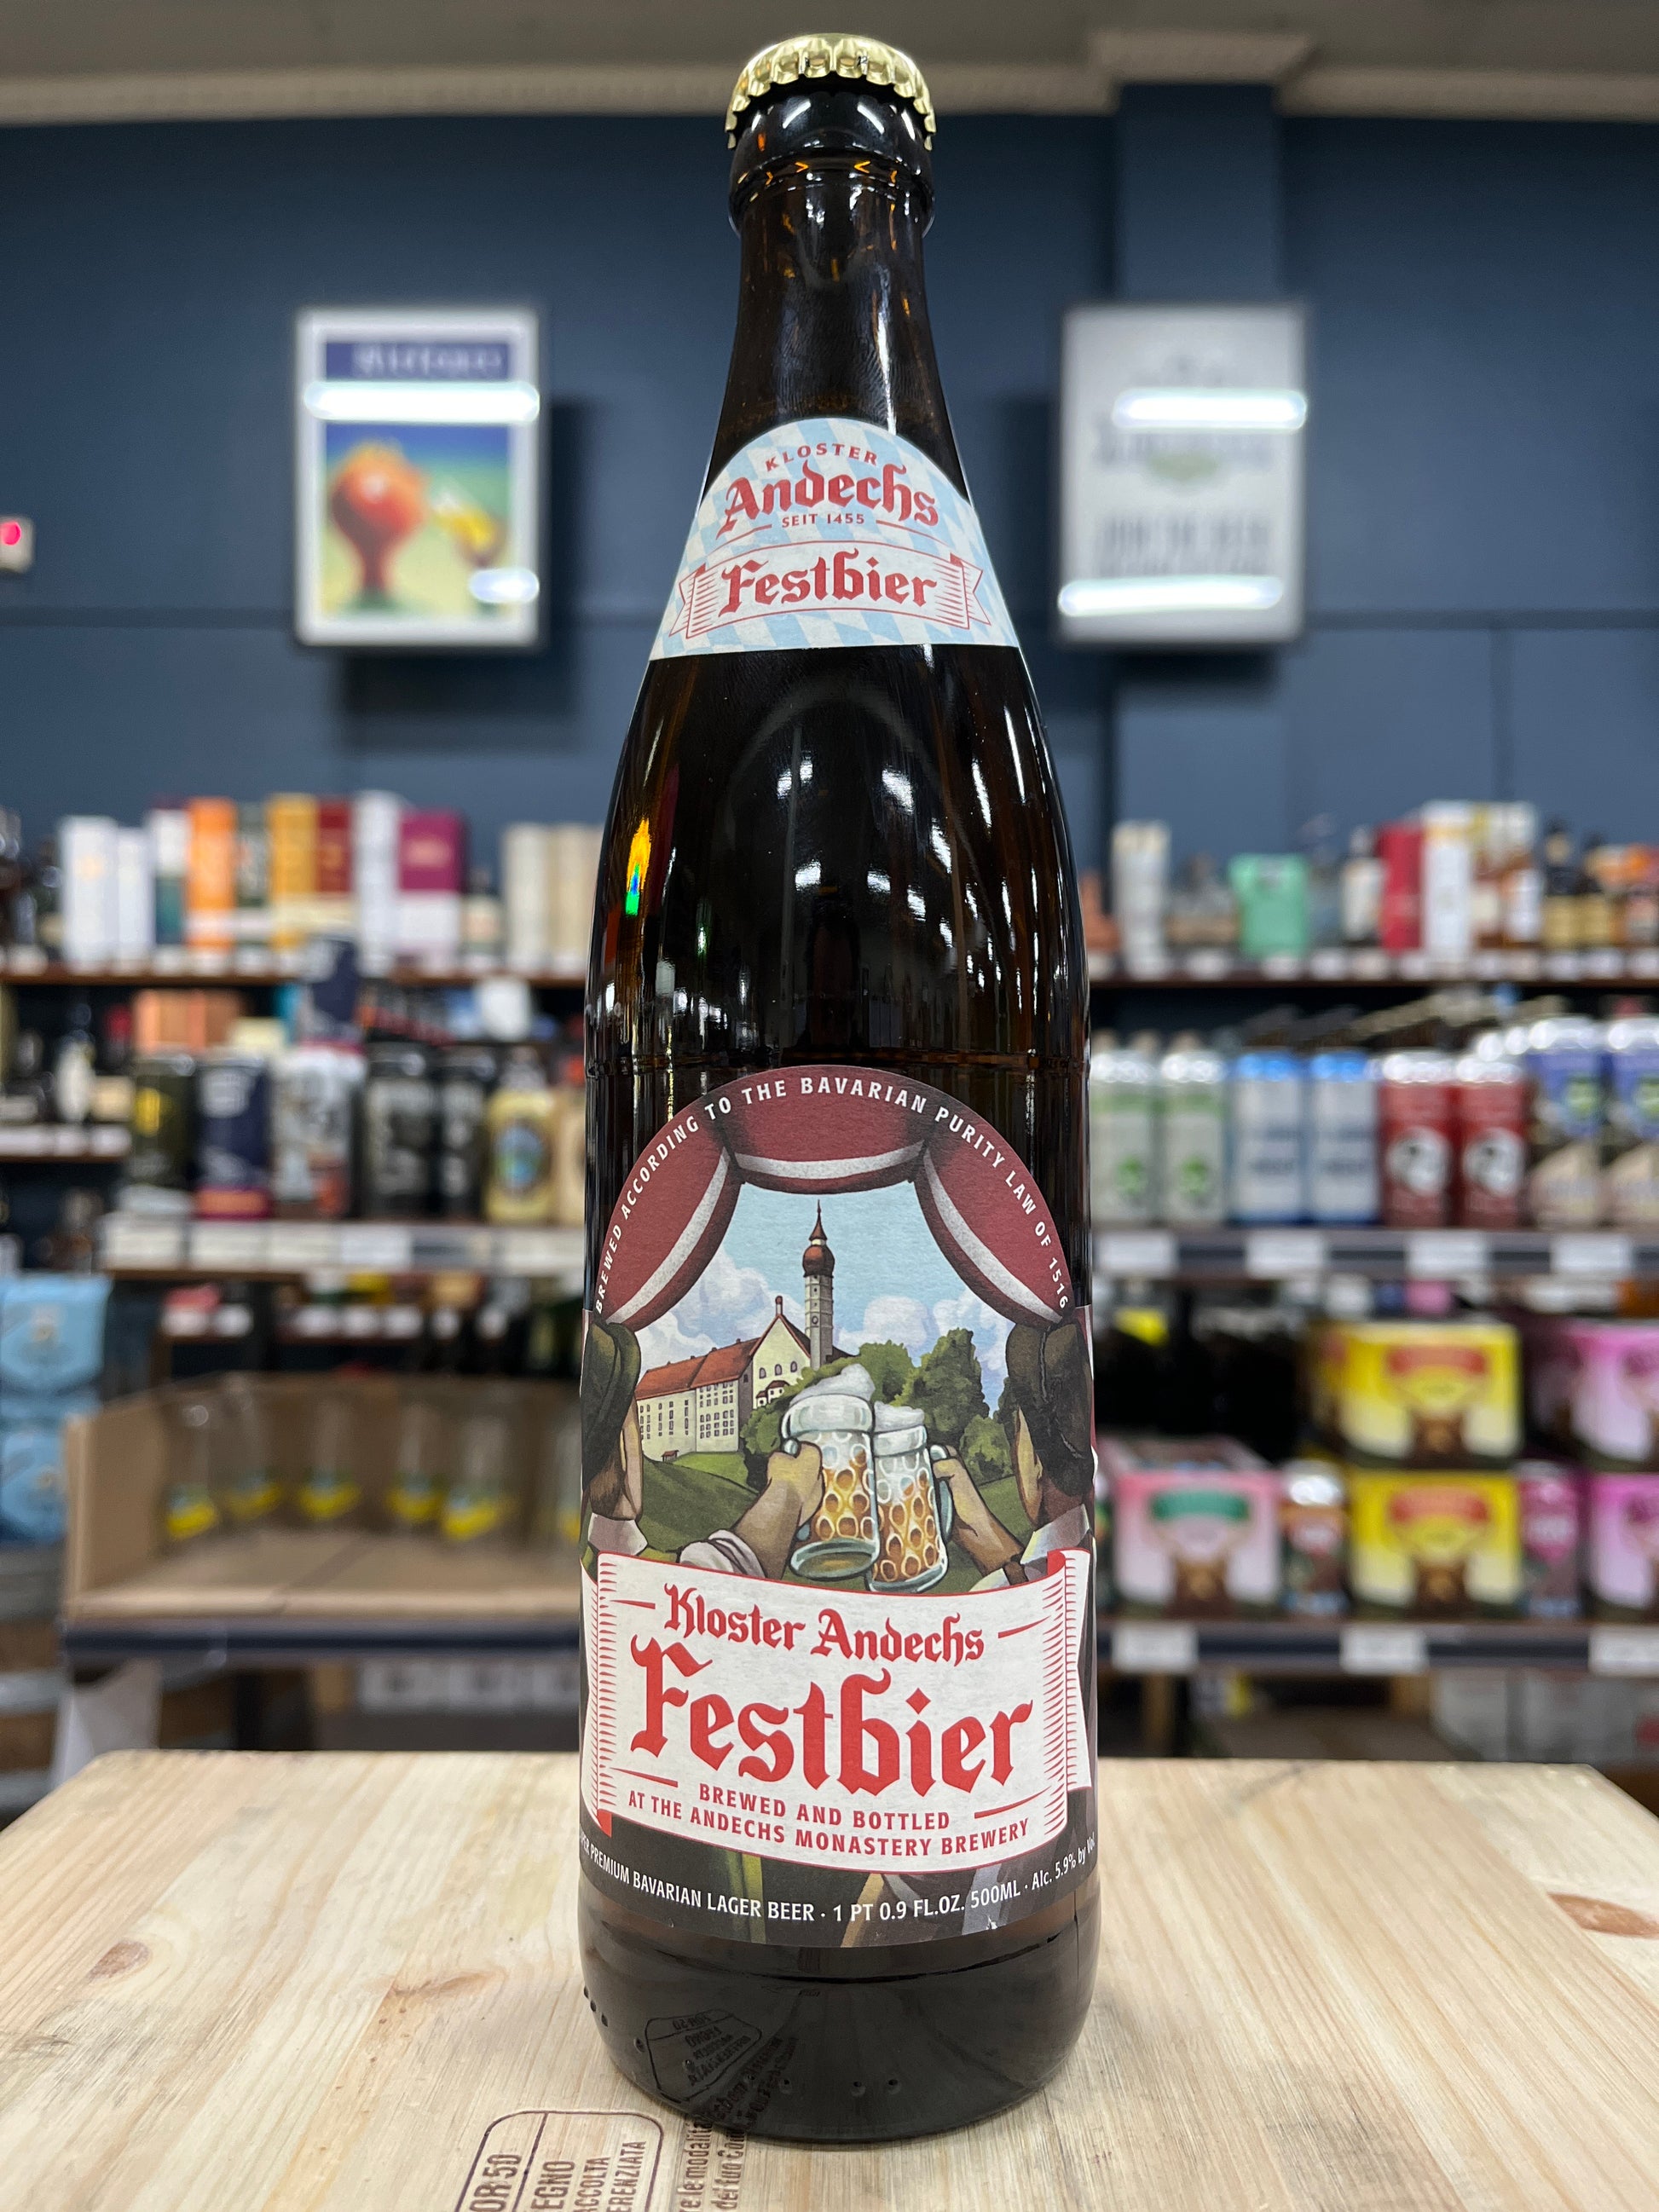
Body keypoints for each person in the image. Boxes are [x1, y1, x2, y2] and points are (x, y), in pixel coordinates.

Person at [581, 1317, 824, 1575]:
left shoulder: (601, 1547)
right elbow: (701, 1586)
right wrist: (787, 1493)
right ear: (623, 1451)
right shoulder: (608, 1556)